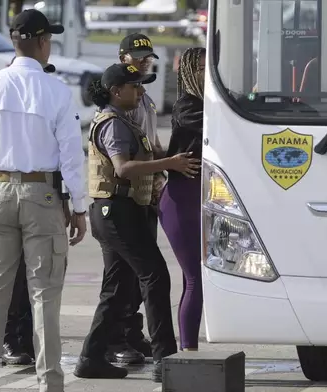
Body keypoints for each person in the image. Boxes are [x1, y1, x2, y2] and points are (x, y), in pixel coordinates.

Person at [0, 9, 87, 392]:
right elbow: (71, 155)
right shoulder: (56, 90)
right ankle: (50, 384)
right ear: (44, 42)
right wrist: (78, 206)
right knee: (44, 295)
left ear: (15, 42)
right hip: (41, 195)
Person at [73, 63, 200, 382]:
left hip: (118, 211)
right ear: (117, 91)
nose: (141, 92)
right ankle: (164, 359)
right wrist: (170, 163)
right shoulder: (113, 124)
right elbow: (123, 168)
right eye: (135, 87)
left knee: (117, 289)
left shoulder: (125, 122)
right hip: (116, 211)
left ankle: (91, 358)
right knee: (155, 276)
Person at [0, 62, 58, 366]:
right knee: (10, 280)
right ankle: (11, 339)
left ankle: (19, 340)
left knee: (30, 279)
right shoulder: (2, 100)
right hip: (9, 192)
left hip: (37, 194)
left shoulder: (44, 103)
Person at [103, 33, 167, 365]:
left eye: (147, 58)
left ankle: (130, 332)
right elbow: (125, 158)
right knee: (122, 273)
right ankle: (114, 339)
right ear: (122, 57)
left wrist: (160, 175)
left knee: (138, 272)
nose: (143, 63)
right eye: (137, 58)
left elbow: (151, 144)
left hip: (144, 195)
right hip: (121, 198)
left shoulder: (144, 100)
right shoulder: (118, 100)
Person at [158, 47, 206, 352]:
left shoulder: (208, 104)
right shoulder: (187, 107)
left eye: (209, 67)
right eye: (200, 68)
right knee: (194, 279)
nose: (205, 73)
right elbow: (220, 123)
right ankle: (188, 351)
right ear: (188, 72)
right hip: (181, 200)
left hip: (203, 197)